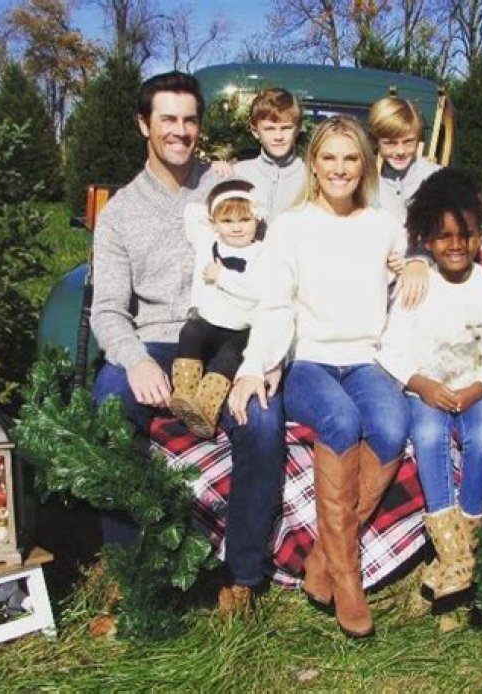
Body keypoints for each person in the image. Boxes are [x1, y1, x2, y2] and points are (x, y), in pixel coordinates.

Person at [90, 71, 286, 615]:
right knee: (110, 400)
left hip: (233, 335)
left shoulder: (229, 190)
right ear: (144, 125)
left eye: (190, 120)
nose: (180, 131)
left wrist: (268, 357)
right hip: (156, 341)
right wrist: (134, 361)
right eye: (168, 119)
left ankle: (242, 574)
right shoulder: (120, 213)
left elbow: (276, 276)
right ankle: (130, 568)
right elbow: (108, 309)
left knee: (262, 420)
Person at [228, 116, 428, 638]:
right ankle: (348, 577)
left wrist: (417, 263)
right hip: (309, 361)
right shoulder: (291, 226)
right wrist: (253, 366)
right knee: (340, 420)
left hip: (365, 359)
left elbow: (417, 250)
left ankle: (322, 559)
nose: (340, 168)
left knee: (391, 424)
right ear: (313, 164)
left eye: (350, 158)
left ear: (365, 165)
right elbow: (275, 305)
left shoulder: (382, 223)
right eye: (329, 158)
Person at [377, 168, 482, 600]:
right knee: (427, 433)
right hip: (426, 388)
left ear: (480, 237)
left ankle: (465, 544)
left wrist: (479, 388)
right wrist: (422, 385)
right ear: (427, 239)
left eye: (466, 235)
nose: (456, 245)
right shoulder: (417, 286)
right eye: (443, 237)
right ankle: (452, 550)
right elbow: (391, 348)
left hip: (475, 389)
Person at [170, 179, 265, 439]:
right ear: (214, 223)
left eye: (244, 220)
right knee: (190, 333)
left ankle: (205, 410)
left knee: (229, 358)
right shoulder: (208, 241)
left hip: (241, 328)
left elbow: (257, 291)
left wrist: (222, 276)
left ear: (257, 219)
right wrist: (220, 178)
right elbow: (192, 211)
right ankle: (185, 396)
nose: (236, 228)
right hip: (208, 321)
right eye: (227, 221)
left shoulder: (262, 252)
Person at [212, 87, 306, 221]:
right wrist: (214, 168)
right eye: (269, 129)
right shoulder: (238, 173)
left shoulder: (309, 176)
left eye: (286, 128)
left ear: (297, 129)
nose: (278, 137)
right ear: (255, 131)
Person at [367, 96, 441, 224]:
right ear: (375, 142)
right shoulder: (369, 184)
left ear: (418, 139)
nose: (400, 151)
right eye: (391, 143)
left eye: (408, 142)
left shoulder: (439, 179)